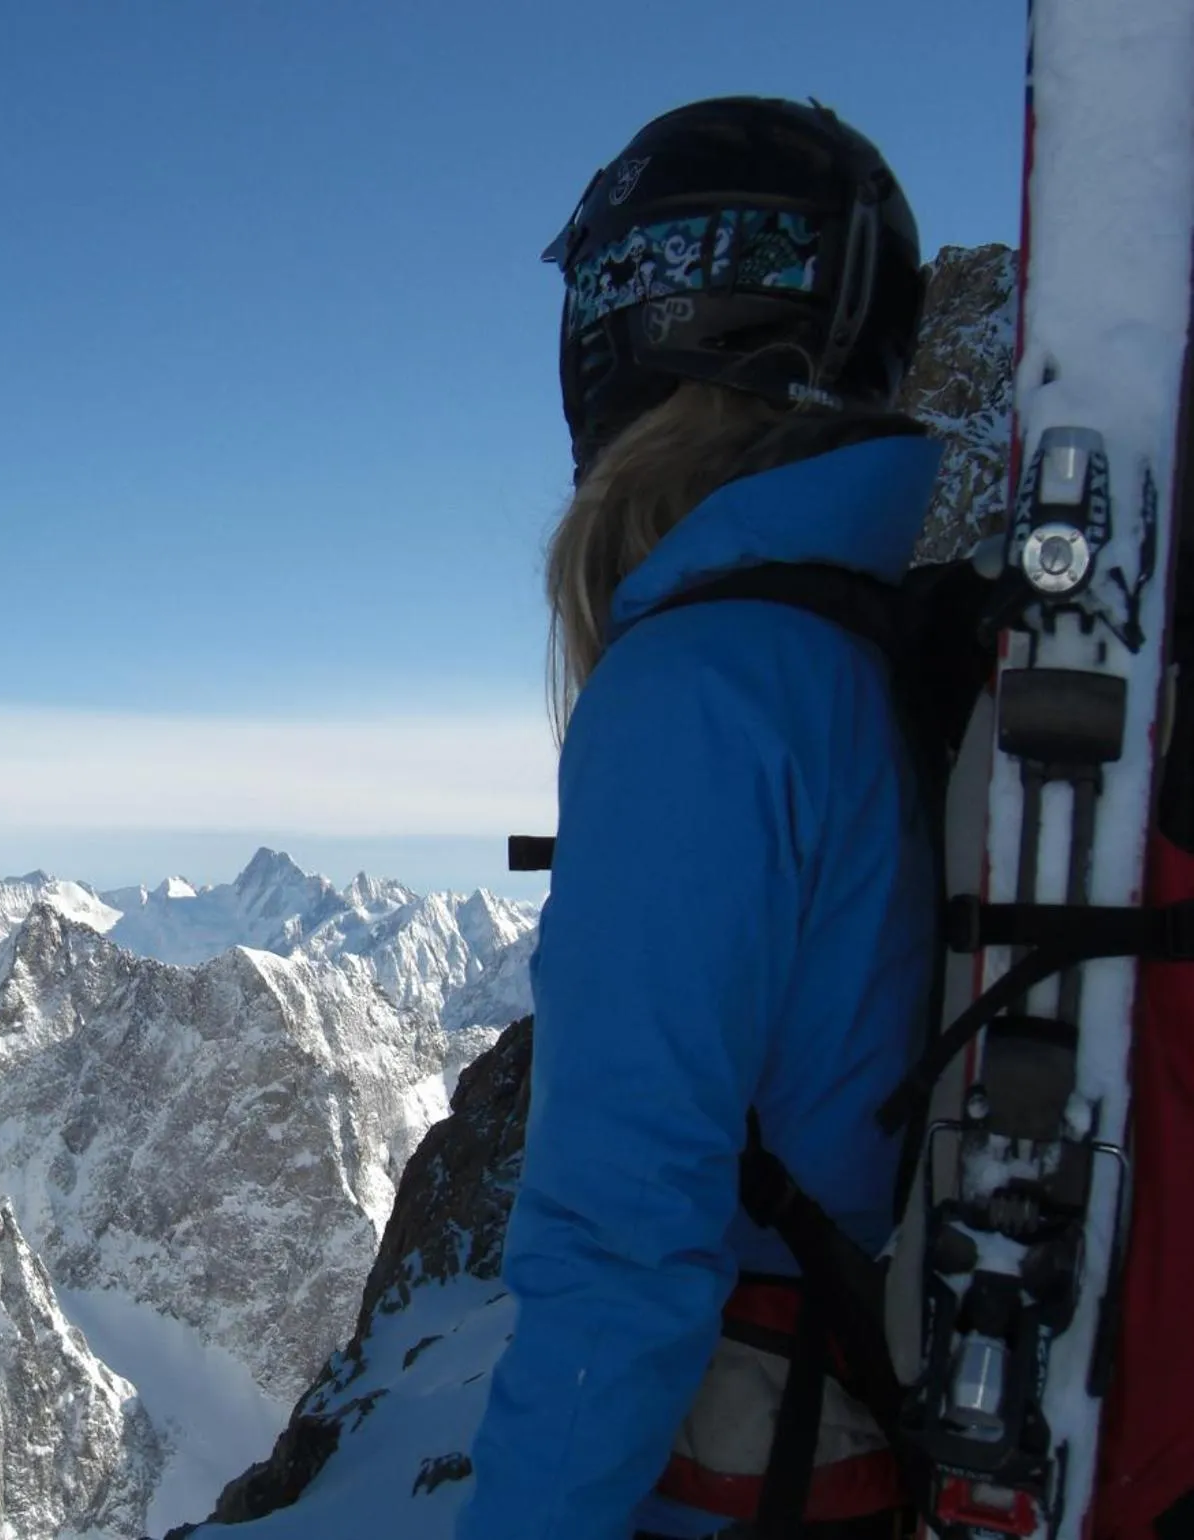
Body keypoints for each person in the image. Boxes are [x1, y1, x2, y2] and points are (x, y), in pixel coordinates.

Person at [455, 97, 937, 1540]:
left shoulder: (699, 691)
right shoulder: (854, 641)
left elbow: (619, 1236)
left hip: (748, 1466)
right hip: (852, 1420)